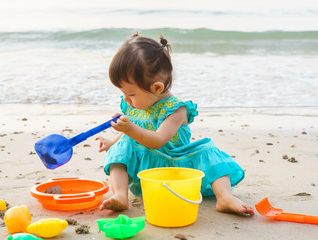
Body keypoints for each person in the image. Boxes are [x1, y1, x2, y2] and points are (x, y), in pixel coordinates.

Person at [96, 33, 254, 215]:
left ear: (156, 88)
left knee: (209, 151)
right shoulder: (135, 104)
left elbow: (157, 140)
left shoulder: (176, 110)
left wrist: (129, 128)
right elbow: (130, 135)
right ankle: (120, 195)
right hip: (144, 176)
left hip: (176, 169)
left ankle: (225, 197)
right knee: (123, 146)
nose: (126, 99)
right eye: (122, 92)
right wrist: (113, 143)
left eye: (131, 94)